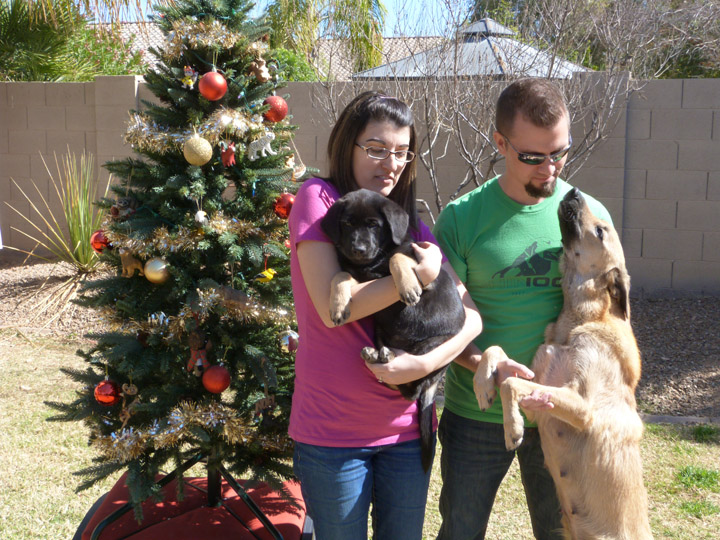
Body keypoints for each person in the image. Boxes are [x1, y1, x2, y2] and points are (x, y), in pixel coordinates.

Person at [287, 91, 483, 540]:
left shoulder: (409, 226)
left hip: (405, 429)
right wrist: (414, 273)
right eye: (375, 148)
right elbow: (337, 309)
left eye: (400, 151)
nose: (390, 162)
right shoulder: (321, 200)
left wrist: (422, 366)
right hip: (333, 430)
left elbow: (471, 316)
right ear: (346, 145)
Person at [432, 78, 614, 540]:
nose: (549, 169)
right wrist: (482, 364)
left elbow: (608, 324)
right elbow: (443, 323)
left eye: (560, 152)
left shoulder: (589, 218)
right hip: (477, 412)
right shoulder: (461, 218)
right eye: (533, 157)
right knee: (460, 531)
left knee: (562, 533)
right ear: (500, 143)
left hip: (559, 412)